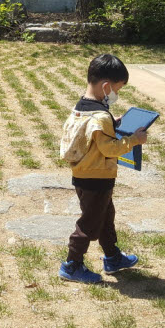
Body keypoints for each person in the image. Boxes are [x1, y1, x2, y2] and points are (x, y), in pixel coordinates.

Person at [58, 54, 148, 283]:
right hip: (97, 178)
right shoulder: (100, 116)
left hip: (85, 176)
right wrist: (134, 140)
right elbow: (109, 148)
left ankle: (113, 257)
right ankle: (72, 264)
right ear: (106, 86)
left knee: (106, 217)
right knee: (89, 223)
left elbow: (93, 135)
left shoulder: (82, 107)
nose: (116, 94)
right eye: (117, 89)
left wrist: (113, 123)